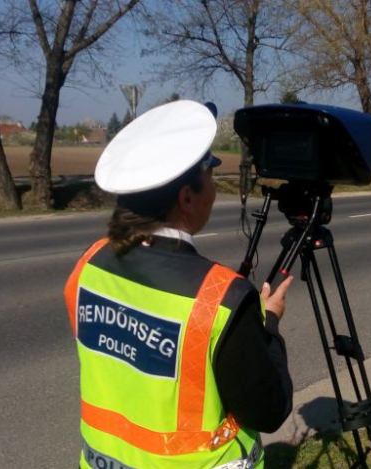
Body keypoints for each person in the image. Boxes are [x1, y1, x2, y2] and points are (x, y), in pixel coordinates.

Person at [64, 100, 294, 469]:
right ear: (187, 198)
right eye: (211, 179)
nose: (214, 191)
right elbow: (268, 410)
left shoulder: (89, 265)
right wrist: (270, 324)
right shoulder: (221, 298)